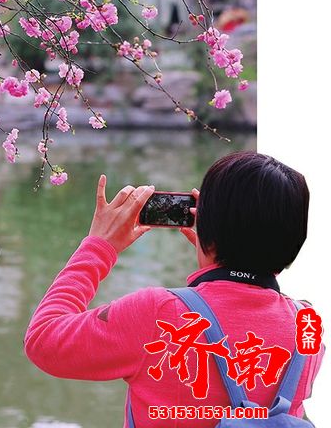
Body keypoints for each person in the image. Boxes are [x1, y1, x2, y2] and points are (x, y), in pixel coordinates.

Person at [23, 151, 324, 426]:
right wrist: (215, 259)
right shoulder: (307, 327)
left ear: (207, 225)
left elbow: (43, 340)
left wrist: (99, 247)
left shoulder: (156, 313)